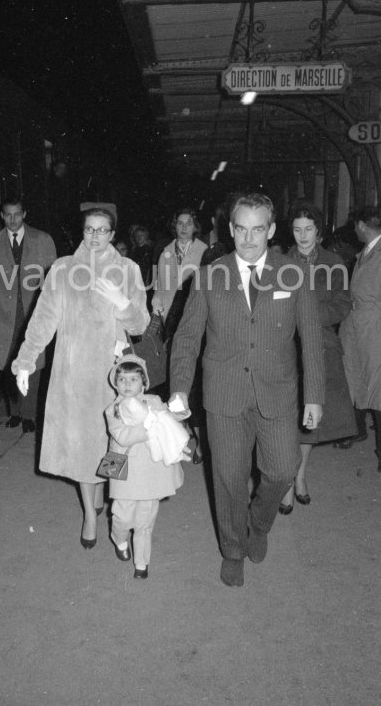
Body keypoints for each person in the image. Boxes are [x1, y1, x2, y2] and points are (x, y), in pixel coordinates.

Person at [169, 192, 325, 587]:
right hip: (224, 393)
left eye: (259, 229)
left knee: (282, 469)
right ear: (230, 229)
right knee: (228, 477)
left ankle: (258, 522)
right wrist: (180, 390)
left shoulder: (293, 273)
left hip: (277, 391)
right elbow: (187, 338)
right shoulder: (209, 275)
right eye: (241, 229)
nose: (249, 238)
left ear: (271, 230)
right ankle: (233, 548)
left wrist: (315, 396)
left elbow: (310, 337)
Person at [11, 202, 149, 547]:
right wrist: (25, 360)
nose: (95, 236)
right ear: (82, 231)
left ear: (113, 235)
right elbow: (43, 320)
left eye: (103, 230)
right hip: (72, 375)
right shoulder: (63, 269)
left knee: (112, 444)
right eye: (90, 229)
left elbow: (140, 325)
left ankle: (103, 491)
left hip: (112, 377)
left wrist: (123, 304)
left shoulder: (128, 270)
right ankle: (90, 511)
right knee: (85, 450)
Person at [278, 200, 355, 514]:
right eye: (297, 229)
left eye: (308, 229)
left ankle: (299, 476)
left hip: (321, 346)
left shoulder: (334, 261)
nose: (302, 235)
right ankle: (285, 482)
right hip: (286, 348)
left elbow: (342, 305)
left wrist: (308, 316)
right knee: (287, 417)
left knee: (311, 421)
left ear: (319, 230)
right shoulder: (280, 260)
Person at [104, 355, 187, 579]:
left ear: (144, 382)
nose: (127, 384)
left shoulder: (154, 401)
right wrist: (149, 428)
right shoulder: (112, 409)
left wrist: (178, 413)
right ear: (115, 382)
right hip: (120, 462)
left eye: (133, 379)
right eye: (121, 379)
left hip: (151, 467)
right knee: (120, 515)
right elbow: (122, 435)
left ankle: (142, 563)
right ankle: (119, 538)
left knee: (145, 518)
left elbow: (169, 422)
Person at [0, 196, 56, 433]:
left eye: (17, 214)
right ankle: (14, 412)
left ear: (25, 214)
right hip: (5, 313)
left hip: (36, 311)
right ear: (2, 216)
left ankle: (29, 415)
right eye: (7, 215)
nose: (12, 220)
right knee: (7, 362)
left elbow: (54, 280)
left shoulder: (43, 240)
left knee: (34, 363)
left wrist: (52, 311)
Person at [152, 208, 208, 462]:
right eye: (180, 223)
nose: (184, 227)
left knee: (194, 379)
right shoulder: (165, 251)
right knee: (173, 374)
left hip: (194, 315)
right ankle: (183, 434)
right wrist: (156, 301)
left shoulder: (205, 251)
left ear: (195, 226)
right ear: (174, 226)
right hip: (169, 319)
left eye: (189, 223)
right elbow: (160, 284)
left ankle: (200, 442)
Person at [339, 206, 381, 472]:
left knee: (378, 389)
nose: (354, 230)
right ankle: (358, 429)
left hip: (374, 328)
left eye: (356, 225)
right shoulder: (366, 252)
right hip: (357, 326)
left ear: (364, 225)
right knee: (356, 380)